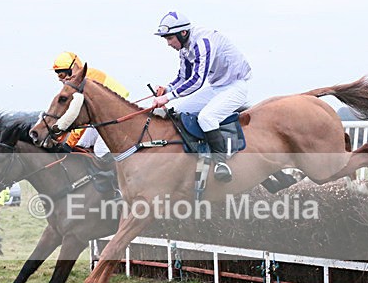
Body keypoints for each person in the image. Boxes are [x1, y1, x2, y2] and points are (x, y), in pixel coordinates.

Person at [151, 11, 252, 183]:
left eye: (169, 38)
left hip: (236, 86)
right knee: (179, 112)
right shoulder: (184, 48)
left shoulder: (202, 43)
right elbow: (183, 77)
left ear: (183, 33)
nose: (168, 43)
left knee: (207, 117)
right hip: (218, 87)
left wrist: (167, 98)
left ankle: (221, 163)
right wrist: (166, 89)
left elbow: (197, 81)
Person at [51, 52, 129, 153]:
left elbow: (78, 116)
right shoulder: (76, 82)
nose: (60, 79)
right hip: (100, 116)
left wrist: (69, 143)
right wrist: (57, 138)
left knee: (100, 151)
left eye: (62, 75)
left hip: (116, 114)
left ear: (73, 67)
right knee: (82, 144)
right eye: (58, 75)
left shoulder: (87, 80)